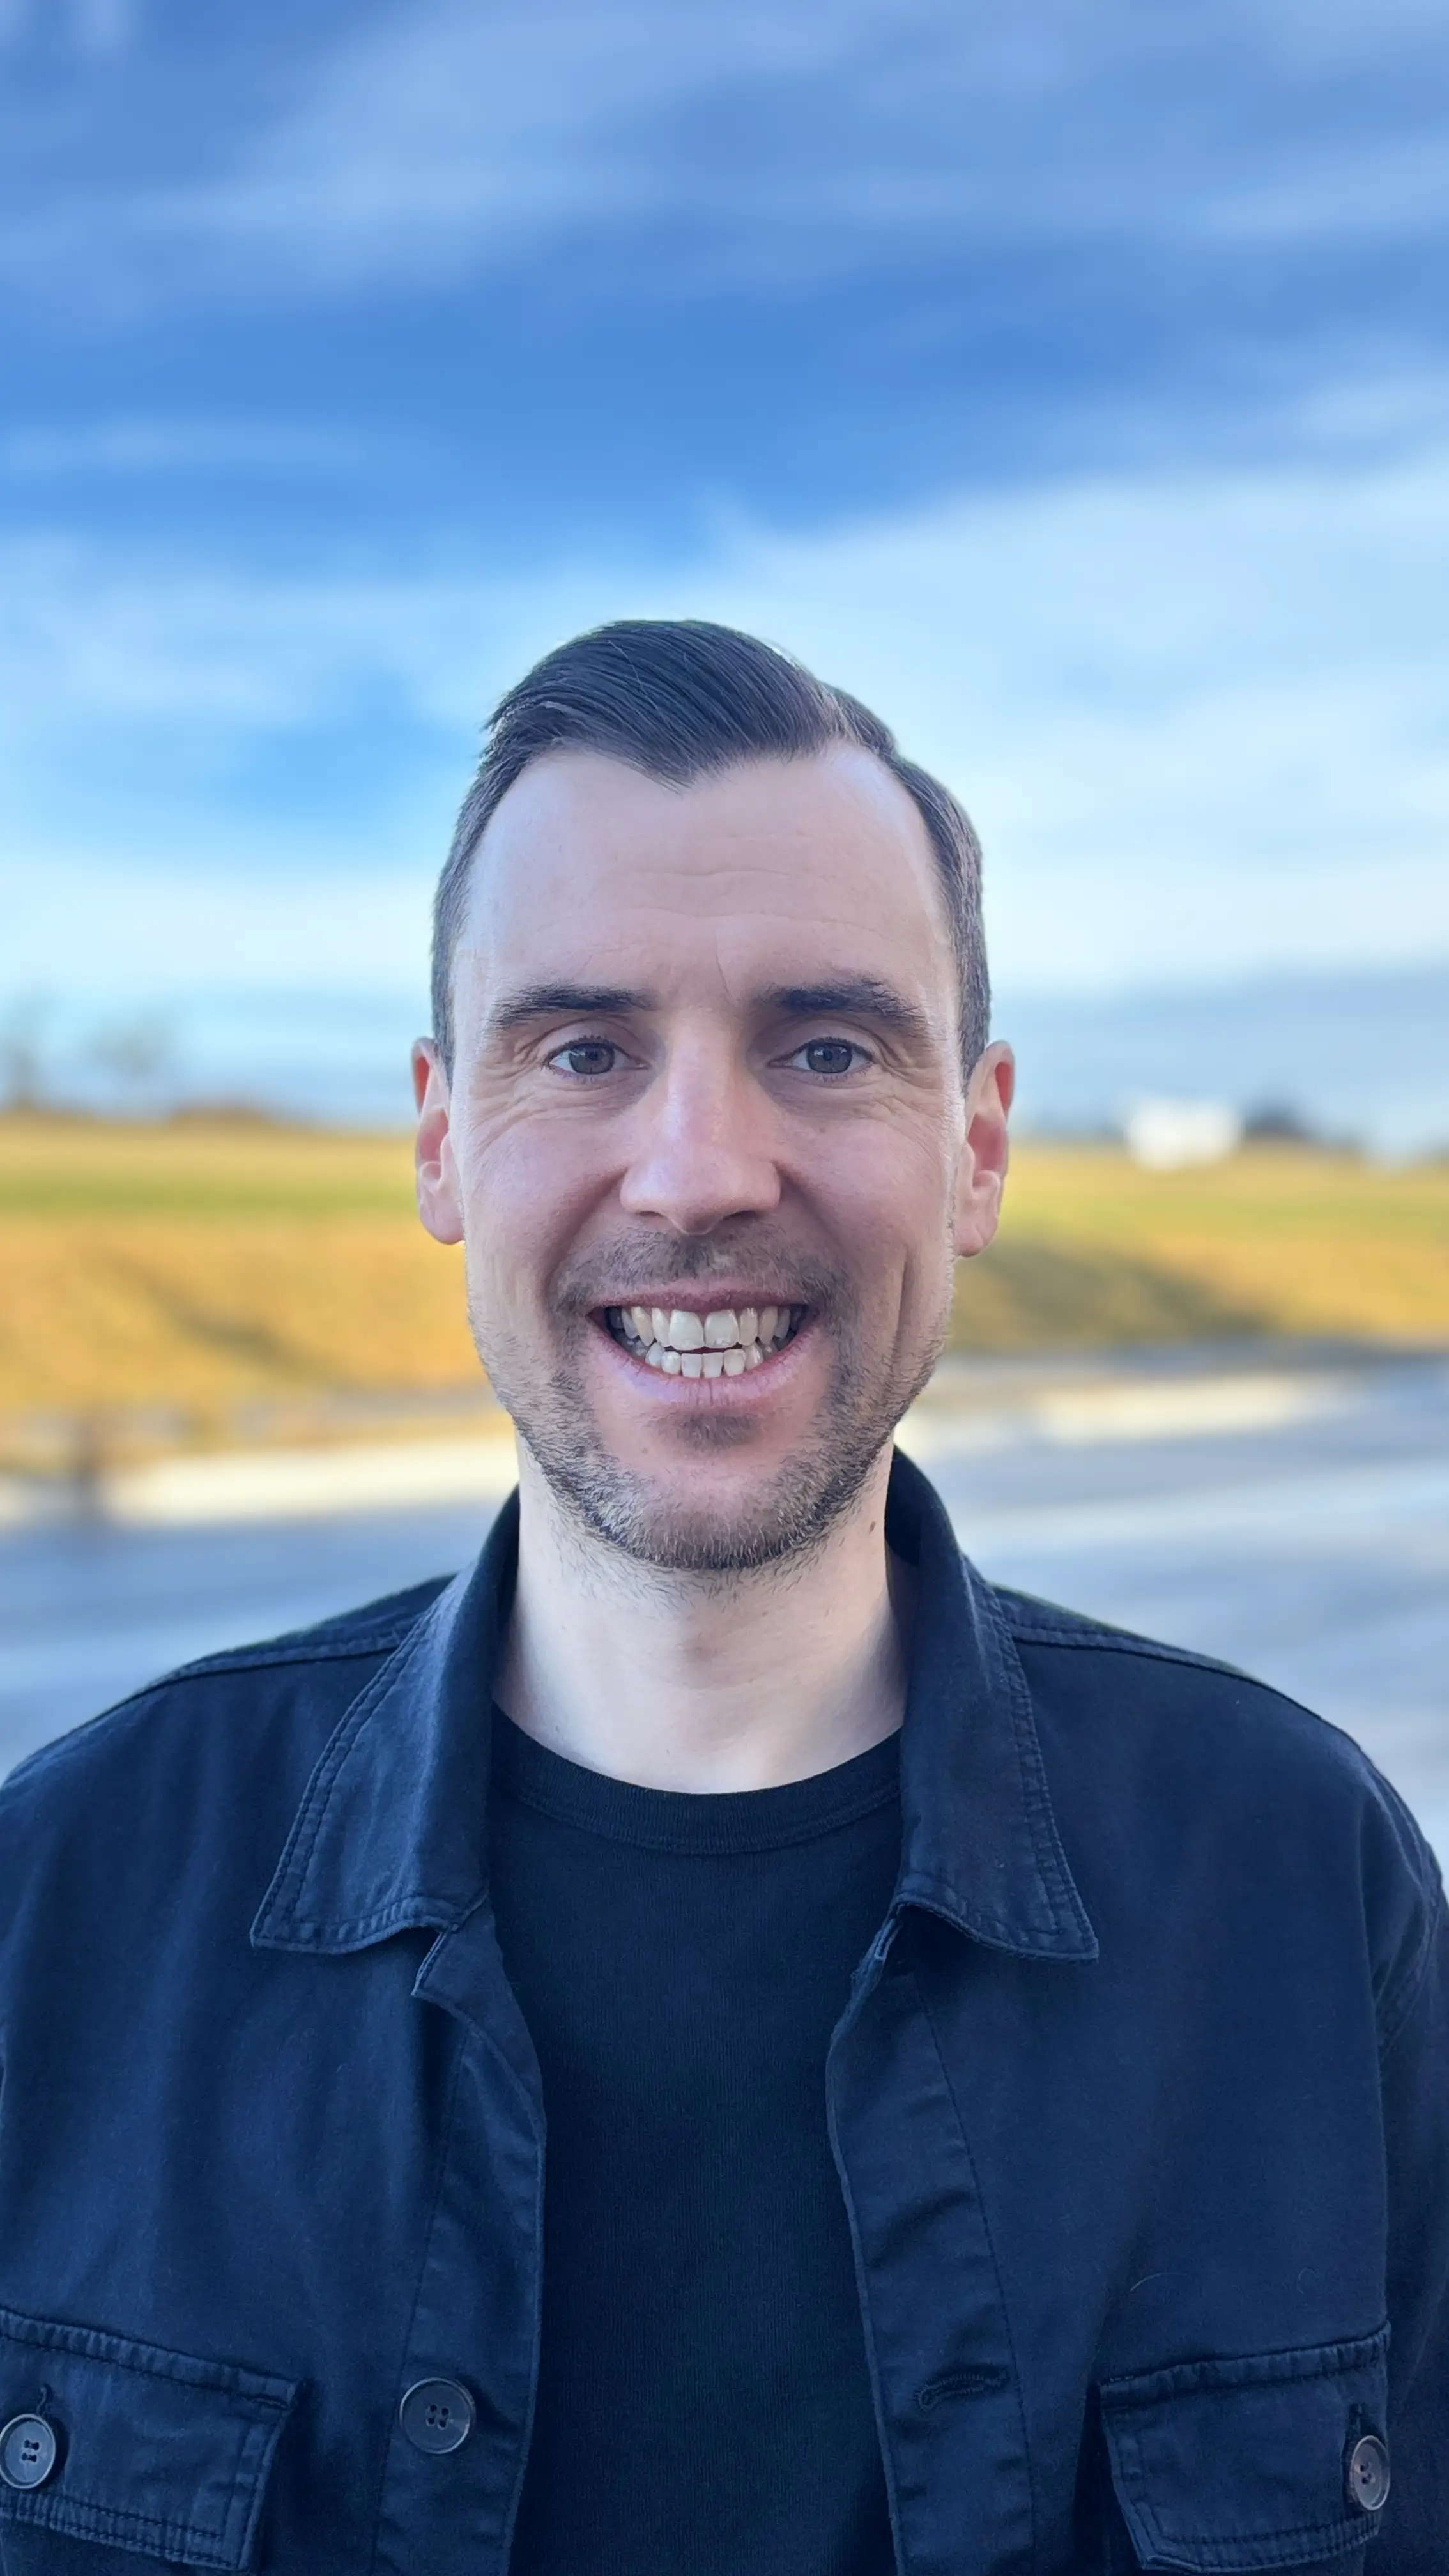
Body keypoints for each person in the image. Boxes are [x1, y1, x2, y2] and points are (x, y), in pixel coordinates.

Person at [0, 620, 1443, 2576]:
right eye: (582, 1048)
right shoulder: (67, 1896)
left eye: (826, 1047)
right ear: (440, 1136)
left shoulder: (1299, 1887)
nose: (697, 1169)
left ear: (979, 1142)